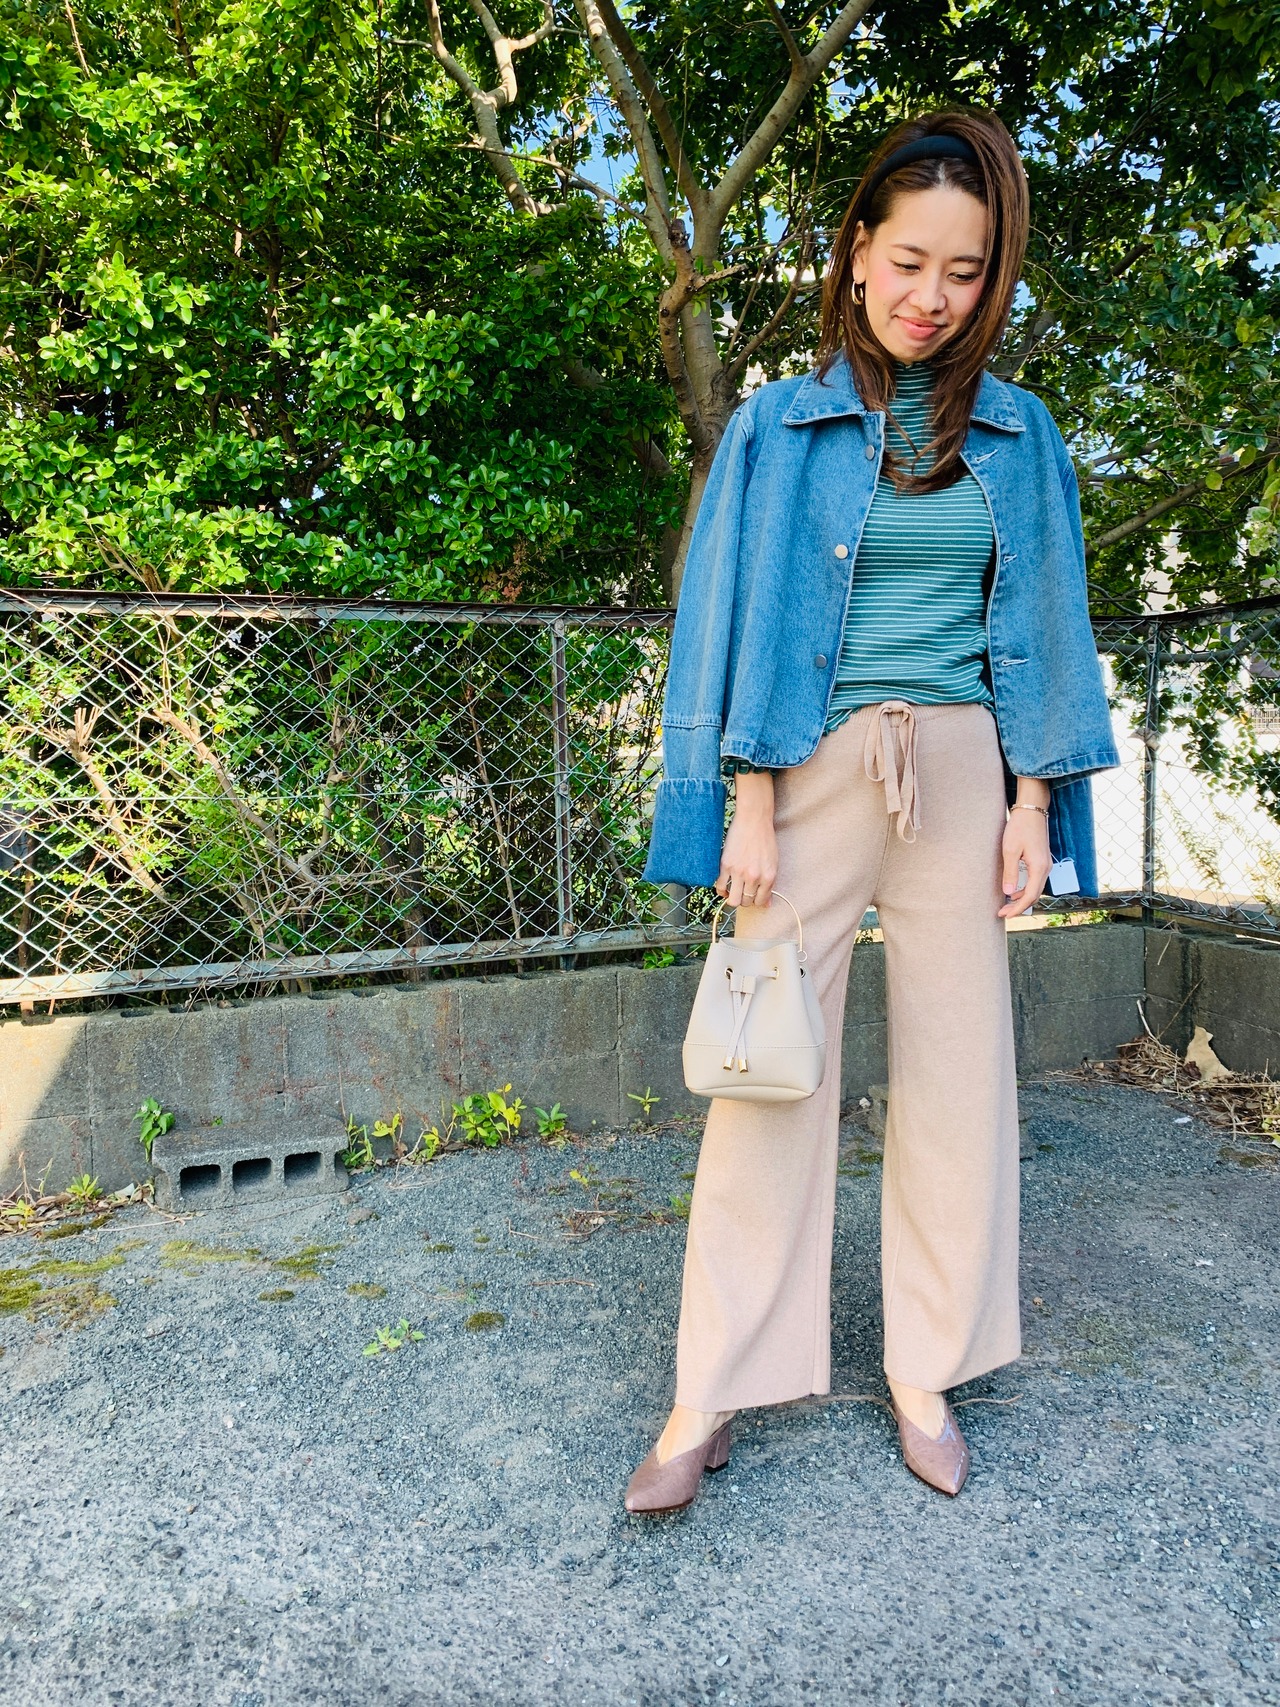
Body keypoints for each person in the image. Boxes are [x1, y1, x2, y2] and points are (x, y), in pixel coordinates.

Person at [626, 109, 1118, 1513]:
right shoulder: (779, 428)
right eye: (909, 262)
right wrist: (747, 800)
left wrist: (1034, 801)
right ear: (855, 252)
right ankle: (710, 1386)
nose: (932, 296)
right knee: (767, 1077)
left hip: (963, 774)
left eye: (965, 271)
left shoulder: (1021, 434)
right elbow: (729, 620)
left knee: (961, 1082)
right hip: (809, 770)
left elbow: (1047, 621)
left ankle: (926, 1369)